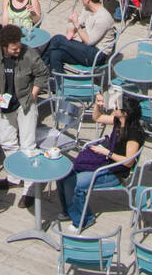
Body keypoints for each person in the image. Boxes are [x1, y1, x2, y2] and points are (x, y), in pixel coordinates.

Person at [56, 94, 145, 232]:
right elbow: (97, 118)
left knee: (74, 183)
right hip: (105, 163)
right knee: (63, 175)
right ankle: (69, 209)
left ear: (124, 114)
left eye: (116, 107)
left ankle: (85, 219)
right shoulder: (118, 121)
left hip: (115, 172)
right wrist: (98, 105)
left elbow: (128, 162)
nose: (113, 108)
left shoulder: (133, 134)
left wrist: (106, 153)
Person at [0, 26, 48, 207]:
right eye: (14, 48)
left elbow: (42, 74)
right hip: (5, 103)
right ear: (4, 46)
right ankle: (14, 177)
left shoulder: (29, 54)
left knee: (28, 146)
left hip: (25, 102)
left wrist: (33, 96)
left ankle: (29, 186)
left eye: (19, 46)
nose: (18, 50)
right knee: (7, 142)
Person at [42, 0, 115, 76]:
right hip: (86, 49)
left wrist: (76, 25)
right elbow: (74, 23)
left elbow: (89, 41)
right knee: (55, 53)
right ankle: (57, 84)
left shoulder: (103, 18)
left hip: (97, 55)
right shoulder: (87, 9)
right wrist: (70, 31)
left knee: (57, 39)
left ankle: (38, 72)